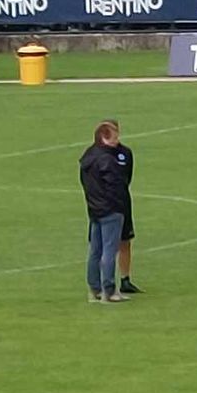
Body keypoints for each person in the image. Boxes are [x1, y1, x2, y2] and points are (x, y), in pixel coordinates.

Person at [79, 122, 131, 303]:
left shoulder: (87, 157)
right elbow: (117, 186)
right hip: (111, 210)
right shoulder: (108, 161)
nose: (118, 142)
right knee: (109, 250)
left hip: (94, 209)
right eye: (114, 138)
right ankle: (109, 290)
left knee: (95, 250)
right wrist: (119, 206)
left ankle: (94, 289)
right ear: (104, 138)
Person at [104, 119, 142, 294]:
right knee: (106, 244)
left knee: (125, 241)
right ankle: (105, 281)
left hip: (123, 203)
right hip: (104, 205)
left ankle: (125, 279)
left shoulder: (125, 153)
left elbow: (127, 177)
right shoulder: (97, 154)